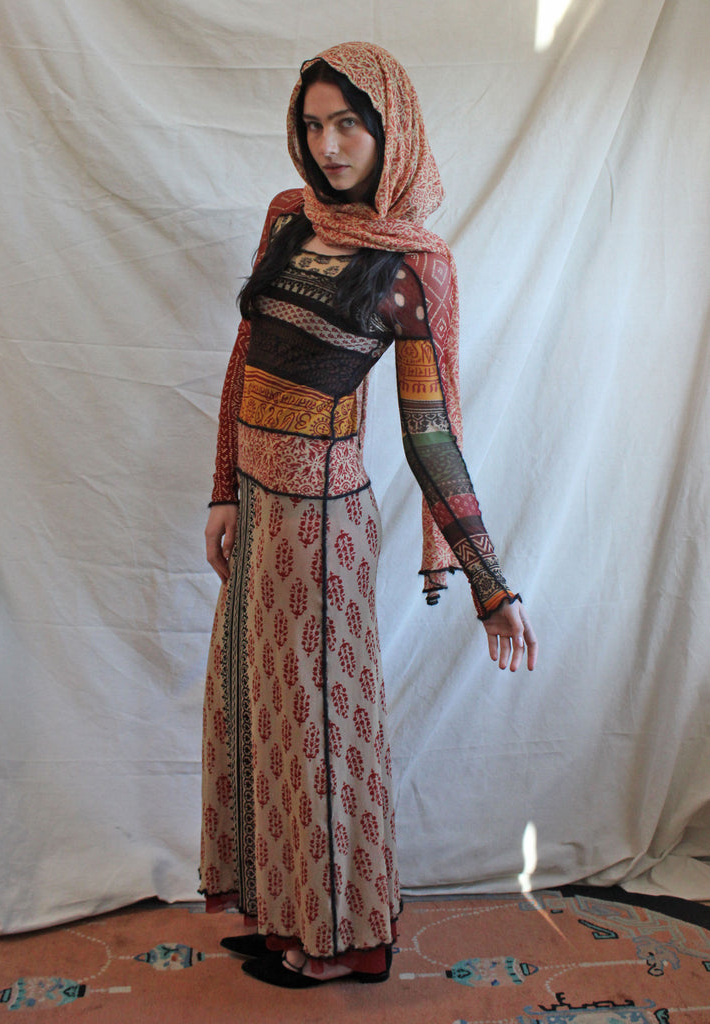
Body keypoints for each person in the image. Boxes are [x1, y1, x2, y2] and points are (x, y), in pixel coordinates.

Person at [200, 41, 538, 989]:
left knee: (321, 734)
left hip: (321, 533)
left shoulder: (413, 266)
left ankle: (349, 940)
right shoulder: (288, 217)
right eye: (313, 125)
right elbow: (244, 360)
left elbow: (431, 436)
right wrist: (222, 489)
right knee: (261, 717)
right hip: (257, 518)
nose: (329, 145)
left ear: (392, 130)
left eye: (348, 123)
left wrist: (489, 584)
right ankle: (283, 911)